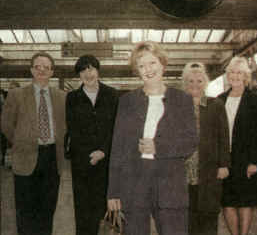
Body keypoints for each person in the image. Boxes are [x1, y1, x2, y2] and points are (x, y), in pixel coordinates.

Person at [107, 41, 198, 235]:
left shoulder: (182, 100)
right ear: (137, 70)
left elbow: (190, 141)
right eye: (141, 65)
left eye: (152, 63)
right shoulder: (127, 102)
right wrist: (113, 191)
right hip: (134, 184)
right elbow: (118, 147)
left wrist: (158, 147)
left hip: (170, 185)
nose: (147, 69)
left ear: (162, 64)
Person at [1, 52, 66, 235]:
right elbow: (6, 124)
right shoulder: (16, 95)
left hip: (53, 159)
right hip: (25, 158)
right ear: (31, 70)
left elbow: (66, 126)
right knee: (25, 212)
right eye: (38, 66)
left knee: (47, 210)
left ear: (52, 72)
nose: (42, 70)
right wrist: (21, 141)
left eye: (46, 67)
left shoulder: (62, 97)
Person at [65, 54, 119, 235]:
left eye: (91, 68)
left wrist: (103, 151)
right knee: (84, 211)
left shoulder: (112, 95)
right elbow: (73, 130)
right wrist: (90, 153)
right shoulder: (72, 98)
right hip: (83, 162)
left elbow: (116, 128)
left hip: (109, 162)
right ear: (79, 75)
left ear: (98, 71)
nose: (88, 73)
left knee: (109, 211)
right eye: (83, 70)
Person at [218, 56, 257, 235]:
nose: (235, 76)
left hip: (246, 159)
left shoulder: (255, 100)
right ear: (228, 75)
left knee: (245, 201)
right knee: (227, 201)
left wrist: (254, 162)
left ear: (246, 76)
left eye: (239, 72)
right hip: (225, 159)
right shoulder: (219, 100)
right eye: (232, 72)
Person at [182, 62, 230, 235]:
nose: (195, 84)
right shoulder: (178, 106)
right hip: (184, 171)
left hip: (209, 170)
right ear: (185, 83)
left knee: (208, 216)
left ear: (206, 82)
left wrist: (224, 164)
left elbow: (224, 136)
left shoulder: (215, 105)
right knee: (188, 217)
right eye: (190, 81)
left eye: (199, 81)